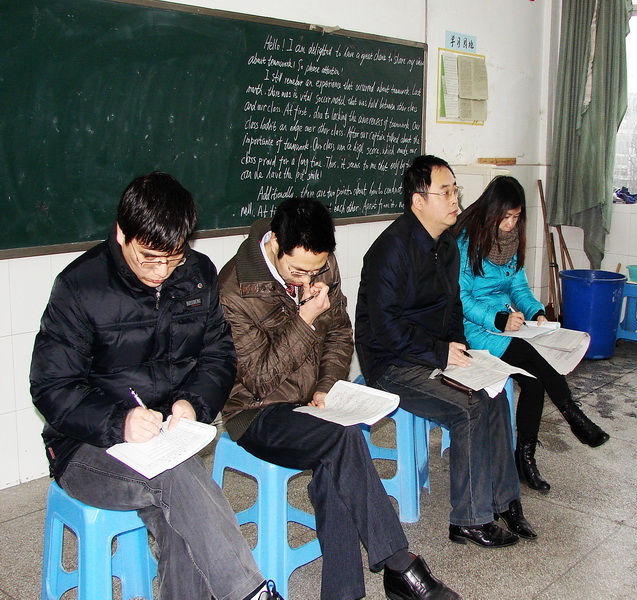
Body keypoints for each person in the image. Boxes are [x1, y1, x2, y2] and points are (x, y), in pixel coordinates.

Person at [30, 172, 279, 600]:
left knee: (178, 513)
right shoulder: (80, 287)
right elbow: (51, 386)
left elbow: (219, 355)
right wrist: (120, 422)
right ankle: (250, 592)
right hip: (84, 447)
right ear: (121, 234)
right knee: (176, 479)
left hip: (164, 439)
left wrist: (193, 404)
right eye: (149, 258)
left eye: (173, 257)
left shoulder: (197, 274)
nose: (161, 271)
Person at [217, 198, 460, 600]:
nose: (308, 279)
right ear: (275, 243)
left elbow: (340, 333)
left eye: (316, 270)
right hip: (258, 411)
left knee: (336, 460)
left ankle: (344, 593)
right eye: (298, 271)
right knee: (342, 439)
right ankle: (399, 562)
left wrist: (326, 385)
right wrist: (305, 318)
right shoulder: (234, 290)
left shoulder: (321, 263)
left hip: (312, 403)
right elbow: (258, 380)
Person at [355, 155, 536, 549]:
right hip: (392, 362)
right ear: (418, 201)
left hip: (434, 354)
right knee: (470, 407)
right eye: (446, 192)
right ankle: (469, 520)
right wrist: (439, 353)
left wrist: (461, 351)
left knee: (494, 392)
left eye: (456, 190)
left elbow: (453, 306)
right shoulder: (391, 250)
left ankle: (505, 501)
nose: (456, 200)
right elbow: (386, 329)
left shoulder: (448, 245)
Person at [452, 175, 610, 492]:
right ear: (492, 211)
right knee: (530, 358)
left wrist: (536, 312)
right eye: (506, 217)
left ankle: (525, 459)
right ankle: (572, 415)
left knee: (535, 381)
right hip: (474, 328)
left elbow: (518, 287)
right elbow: (461, 298)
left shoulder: (512, 242)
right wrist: (498, 319)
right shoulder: (467, 242)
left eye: (516, 217)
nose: (511, 224)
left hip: (508, 325)